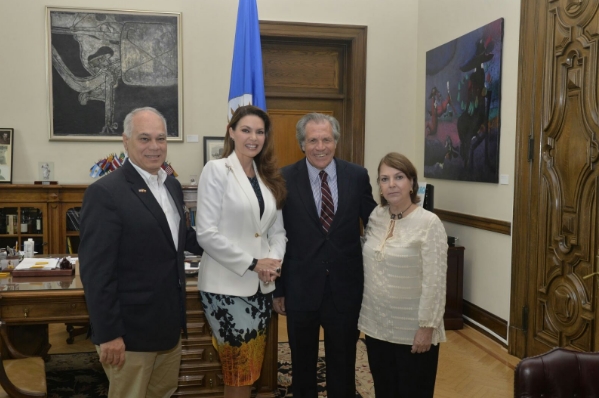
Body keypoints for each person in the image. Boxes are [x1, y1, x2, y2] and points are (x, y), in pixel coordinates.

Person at [79, 107, 203, 398]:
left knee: (163, 393)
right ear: (125, 141)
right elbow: (96, 272)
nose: (155, 147)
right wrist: (109, 333)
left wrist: (239, 246)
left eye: (161, 138)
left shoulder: (170, 184)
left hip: (167, 328)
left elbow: (181, 239)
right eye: (144, 138)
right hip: (129, 333)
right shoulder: (106, 193)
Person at [273, 113, 377, 397]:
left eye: (326, 139)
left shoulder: (357, 176)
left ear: (336, 141)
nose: (321, 146)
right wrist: (278, 288)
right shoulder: (282, 177)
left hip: (345, 288)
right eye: (313, 140)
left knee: (343, 364)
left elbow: (374, 223)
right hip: (300, 287)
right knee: (302, 365)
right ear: (302, 144)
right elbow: (276, 234)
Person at [195, 105, 287, 398]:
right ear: (231, 132)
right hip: (225, 288)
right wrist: (253, 262)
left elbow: (277, 232)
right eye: (246, 130)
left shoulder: (268, 176)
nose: (253, 137)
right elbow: (206, 233)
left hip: (261, 288)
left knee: (251, 370)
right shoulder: (217, 170)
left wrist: (273, 262)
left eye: (259, 132)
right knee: (238, 370)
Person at [358, 152, 448, 398]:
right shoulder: (376, 217)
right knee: (385, 391)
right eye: (384, 179)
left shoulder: (429, 223)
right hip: (377, 327)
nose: (392, 184)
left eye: (399, 177)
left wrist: (427, 327)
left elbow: (436, 282)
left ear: (412, 183)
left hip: (412, 329)